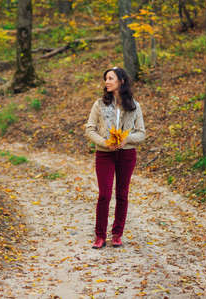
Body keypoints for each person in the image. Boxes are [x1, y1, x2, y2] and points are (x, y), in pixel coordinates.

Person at [85, 67, 145, 249]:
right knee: (104, 195)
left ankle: (117, 234)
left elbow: (141, 133)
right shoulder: (99, 104)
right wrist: (104, 143)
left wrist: (126, 139)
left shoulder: (134, 106)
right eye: (106, 79)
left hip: (127, 155)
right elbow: (89, 128)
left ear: (122, 81)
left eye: (111, 78)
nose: (107, 82)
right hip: (104, 154)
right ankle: (100, 236)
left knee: (122, 195)